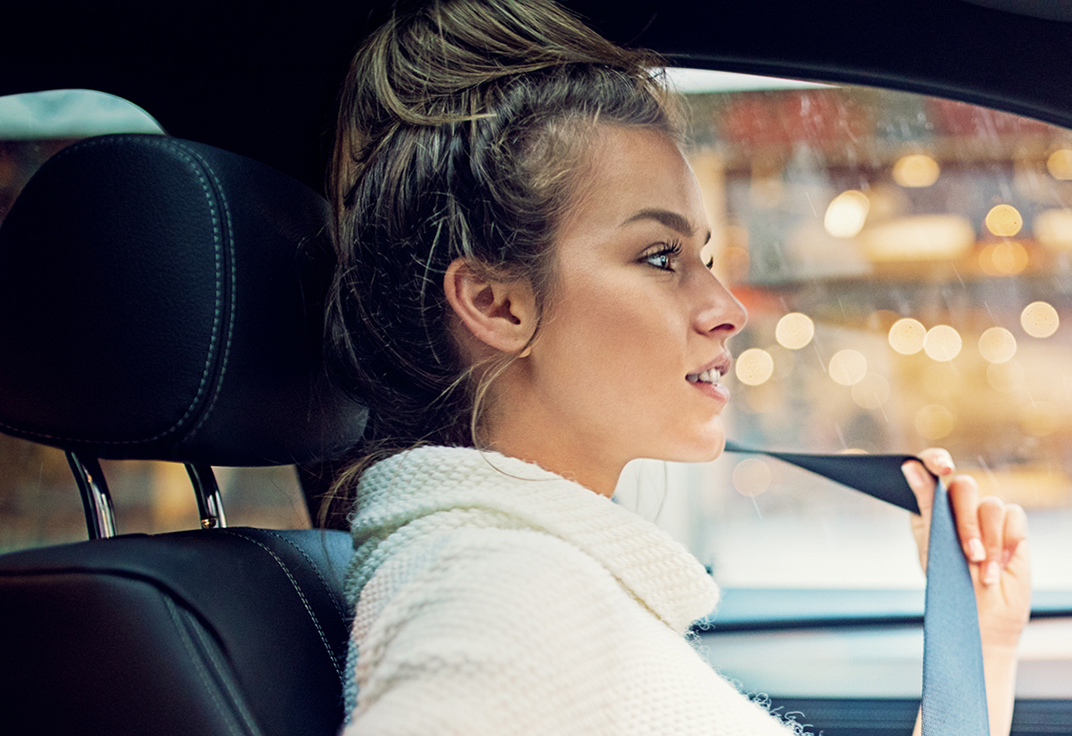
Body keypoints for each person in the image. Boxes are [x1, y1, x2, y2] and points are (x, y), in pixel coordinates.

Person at [320, 0, 1033, 733]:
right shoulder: (497, 591)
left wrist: (978, 651)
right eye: (661, 257)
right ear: (497, 305)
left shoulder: (542, 577)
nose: (727, 306)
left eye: (708, 258)